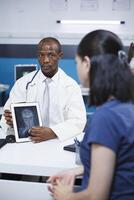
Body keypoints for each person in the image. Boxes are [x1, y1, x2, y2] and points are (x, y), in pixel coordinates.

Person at [47, 30, 134, 200]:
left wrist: (65, 195)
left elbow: (96, 195)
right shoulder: (126, 106)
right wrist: (80, 169)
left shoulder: (105, 118)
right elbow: (122, 163)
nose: (77, 67)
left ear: (86, 63)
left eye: (76, 62)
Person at [0, 37, 86, 142]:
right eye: (41, 55)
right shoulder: (23, 83)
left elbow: (78, 121)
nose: (45, 60)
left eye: (51, 55)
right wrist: (11, 119)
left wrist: (53, 132)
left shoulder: (71, 86)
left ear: (60, 56)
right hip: (29, 143)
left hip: (58, 143)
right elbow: (7, 115)